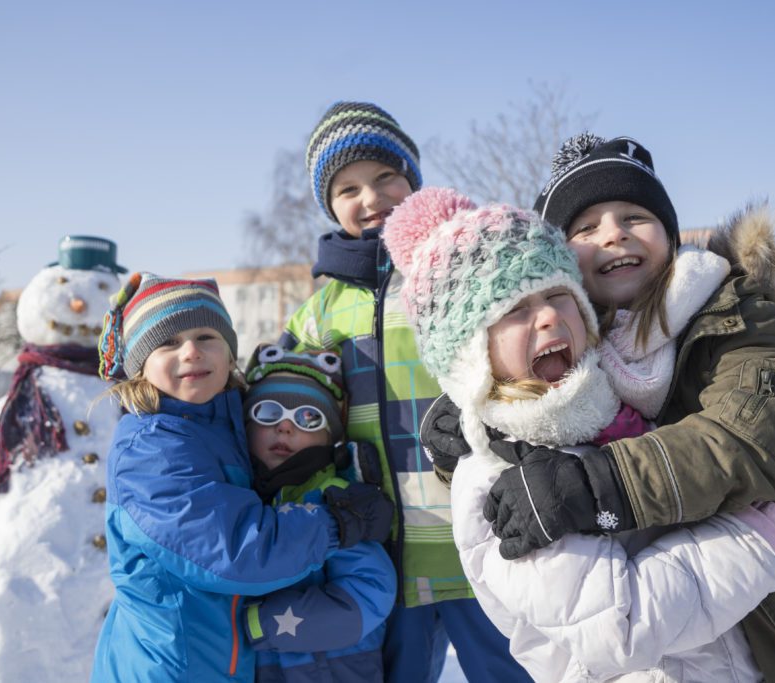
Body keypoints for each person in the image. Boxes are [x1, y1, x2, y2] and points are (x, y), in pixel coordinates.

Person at [424, 134, 775, 679]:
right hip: (722, 621)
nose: (613, 235)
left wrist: (600, 487)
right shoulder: (578, 356)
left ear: (670, 237)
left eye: (634, 215)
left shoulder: (737, 316)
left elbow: (742, 440)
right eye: (585, 227)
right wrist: (475, 409)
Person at [281, 101, 532, 683]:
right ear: (329, 204)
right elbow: (289, 412)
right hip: (386, 550)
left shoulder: (459, 275)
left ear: (412, 181)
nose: (370, 199)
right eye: (348, 189)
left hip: (482, 538)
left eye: (385, 178)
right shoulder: (321, 314)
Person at [89, 273, 393, 683]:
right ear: (140, 366)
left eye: (206, 336)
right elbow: (234, 551)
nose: (192, 351)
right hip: (171, 667)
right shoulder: (152, 448)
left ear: (230, 354)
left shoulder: (222, 430)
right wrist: (335, 524)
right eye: (168, 342)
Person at [240, 343, 396, 682]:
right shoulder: (238, 499)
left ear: (330, 438)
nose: (285, 427)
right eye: (267, 413)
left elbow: (370, 591)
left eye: (308, 418)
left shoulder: (337, 501)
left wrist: (260, 623)